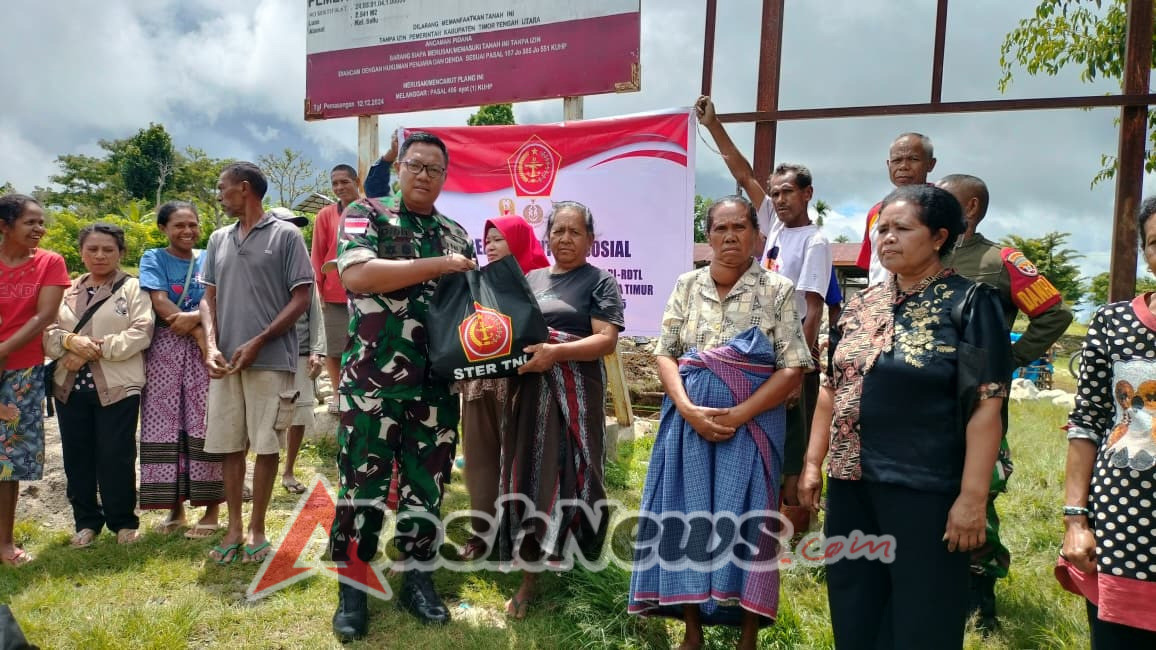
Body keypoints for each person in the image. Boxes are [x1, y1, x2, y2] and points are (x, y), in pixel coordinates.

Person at [799, 185, 1012, 649]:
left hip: (926, 489)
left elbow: (986, 406)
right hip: (852, 485)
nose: (887, 238)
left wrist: (973, 499)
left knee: (923, 615)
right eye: (882, 229)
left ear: (938, 236)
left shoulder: (971, 304)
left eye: (901, 228)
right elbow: (830, 391)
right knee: (854, 605)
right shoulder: (858, 306)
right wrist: (814, 464)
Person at [628, 196, 811, 650]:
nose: (730, 237)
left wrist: (740, 413)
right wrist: (689, 409)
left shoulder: (778, 289)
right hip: (686, 425)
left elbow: (793, 368)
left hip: (750, 431)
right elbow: (665, 352)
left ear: (756, 235)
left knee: (748, 524)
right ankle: (692, 630)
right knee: (686, 519)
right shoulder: (687, 285)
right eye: (720, 229)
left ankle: (747, 635)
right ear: (707, 236)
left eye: (739, 228)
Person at [328, 132, 476, 639]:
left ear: (445, 175)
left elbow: (466, 314)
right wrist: (436, 266)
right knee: (361, 487)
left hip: (435, 387)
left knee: (426, 489)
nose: (424, 176)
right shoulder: (366, 214)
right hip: (372, 381)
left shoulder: (457, 234)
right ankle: (353, 587)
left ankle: (418, 580)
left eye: (435, 169)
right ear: (399, 168)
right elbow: (359, 276)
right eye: (415, 165)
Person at [938, 173, 1073, 630]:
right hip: (926, 399)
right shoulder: (926, 252)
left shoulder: (1001, 260)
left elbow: (1054, 312)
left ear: (971, 208)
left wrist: (1010, 359)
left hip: (980, 403)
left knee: (979, 491)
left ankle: (980, 604)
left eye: (947, 201)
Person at [695, 96, 833, 513]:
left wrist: (797, 368)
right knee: (762, 434)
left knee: (794, 445)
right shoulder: (770, 225)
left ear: (808, 193)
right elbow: (740, 171)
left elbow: (812, 306)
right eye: (774, 194)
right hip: (760, 352)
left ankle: (793, 528)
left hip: (792, 357)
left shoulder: (815, 240)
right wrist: (714, 125)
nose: (779, 200)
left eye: (788, 192)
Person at [495, 201, 625, 620]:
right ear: (546, 237)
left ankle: (582, 567)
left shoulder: (599, 281)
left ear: (590, 239)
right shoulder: (530, 278)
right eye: (558, 231)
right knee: (531, 474)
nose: (565, 239)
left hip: (576, 396)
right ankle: (530, 577)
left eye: (575, 232)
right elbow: (509, 329)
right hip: (530, 394)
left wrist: (557, 352)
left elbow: (606, 340)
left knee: (575, 472)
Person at [200, 162, 314, 565]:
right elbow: (206, 297)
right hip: (226, 363)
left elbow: (301, 297)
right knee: (230, 445)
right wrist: (211, 343)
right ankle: (233, 526)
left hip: (271, 359)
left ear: (244, 189)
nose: (219, 195)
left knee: (266, 446)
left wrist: (261, 339)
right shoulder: (217, 239)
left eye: (222, 188)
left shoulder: (287, 235)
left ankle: (257, 529)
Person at [1056, 196, 1156, 648]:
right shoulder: (1113, 323)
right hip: (1125, 526)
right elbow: (1087, 422)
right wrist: (1076, 520)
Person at [45, 222, 154, 547]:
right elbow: (47, 331)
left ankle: (123, 522)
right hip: (69, 388)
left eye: (108, 249)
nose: (100, 255)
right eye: (92, 249)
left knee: (116, 454)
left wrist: (92, 349)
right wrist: (68, 342)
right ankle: (86, 522)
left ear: (121, 253)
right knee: (76, 456)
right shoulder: (66, 290)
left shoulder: (134, 288)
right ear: (81, 252)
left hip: (118, 386)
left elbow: (141, 332)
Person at [458, 215, 549, 561]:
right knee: (480, 458)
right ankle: (482, 533)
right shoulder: (478, 283)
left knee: (523, 459)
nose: (491, 247)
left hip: (525, 386)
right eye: (488, 241)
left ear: (519, 241)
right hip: (480, 383)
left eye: (499, 239)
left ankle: (526, 535)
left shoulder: (541, 281)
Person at [138, 201, 225, 539]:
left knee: (207, 421)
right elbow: (159, 302)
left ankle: (212, 507)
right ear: (163, 228)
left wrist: (197, 322)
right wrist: (197, 328)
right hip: (166, 350)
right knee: (165, 424)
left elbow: (216, 297)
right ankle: (174, 507)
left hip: (207, 347)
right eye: (178, 225)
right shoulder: (153, 258)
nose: (187, 231)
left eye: (192, 224)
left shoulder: (209, 257)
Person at [0, 193, 70, 566]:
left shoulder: (49, 263)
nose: (39, 229)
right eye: (30, 222)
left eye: (41, 222)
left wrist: (2, 351)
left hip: (22, 371)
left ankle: (5, 543)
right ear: (4, 226)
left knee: (7, 459)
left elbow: (43, 317)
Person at [271, 206, 326, 495]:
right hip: (267, 353)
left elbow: (315, 310)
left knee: (301, 414)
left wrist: (318, 349)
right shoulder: (258, 264)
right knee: (258, 414)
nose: (292, 230)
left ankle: (289, 470)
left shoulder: (304, 265)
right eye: (286, 225)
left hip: (302, 350)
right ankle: (245, 473)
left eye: (296, 226)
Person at [310, 163, 365, 414]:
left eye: (345, 181)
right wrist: (318, 291)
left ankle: (363, 389)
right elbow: (317, 254)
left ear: (357, 181)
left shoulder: (371, 210)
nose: (340, 187)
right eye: (335, 183)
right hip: (334, 293)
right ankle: (337, 393)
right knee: (334, 347)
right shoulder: (325, 215)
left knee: (365, 344)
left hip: (367, 289)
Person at [856, 133, 937, 286]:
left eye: (913, 159)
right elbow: (872, 266)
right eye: (896, 160)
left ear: (930, 164)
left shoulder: (941, 207)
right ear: (889, 165)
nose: (903, 166)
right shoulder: (876, 212)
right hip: (880, 305)